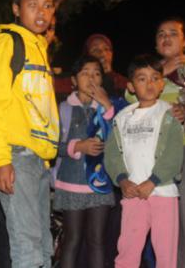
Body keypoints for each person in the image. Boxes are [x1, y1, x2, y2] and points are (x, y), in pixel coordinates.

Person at [0, 0, 59, 268]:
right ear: (16, 9)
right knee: (27, 244)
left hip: (38, 161)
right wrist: (0, 158)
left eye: (48, 5)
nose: (42, 12)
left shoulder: (37, 46)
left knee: (42, 244)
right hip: (16, 156)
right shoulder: (7, 43)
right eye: (33, 4)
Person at [129, 17, 185, 267]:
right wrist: (160, 73)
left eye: (173, 34)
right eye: (161, 34)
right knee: (168, 223)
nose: (166, 38)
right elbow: (128, 97)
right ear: (156, 43)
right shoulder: (151, 71)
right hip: (158, 156)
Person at [105, 54, 184, 268]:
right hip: (133, 195)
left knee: (165, 254)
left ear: (162, 84)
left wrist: (153, 181)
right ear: (130, 86)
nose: (149, 83)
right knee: (127, 252)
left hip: (162, 193)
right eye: (142, 78)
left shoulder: (169, 113)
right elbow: (112, 155)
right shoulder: (122, 118)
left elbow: (174, 154)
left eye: (155, 78)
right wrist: (122, 180)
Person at [54, 55, 115, 268]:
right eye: (85, 73)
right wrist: (78, 146)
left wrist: (107, 107)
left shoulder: (106, 109)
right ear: (73, 80)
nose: (91, 78)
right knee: (72, 239)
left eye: (97, 73)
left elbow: (118, 141)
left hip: (100, 184)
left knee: (97, 241)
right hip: (71, 184)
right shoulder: (64, 109)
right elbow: (53, 146)